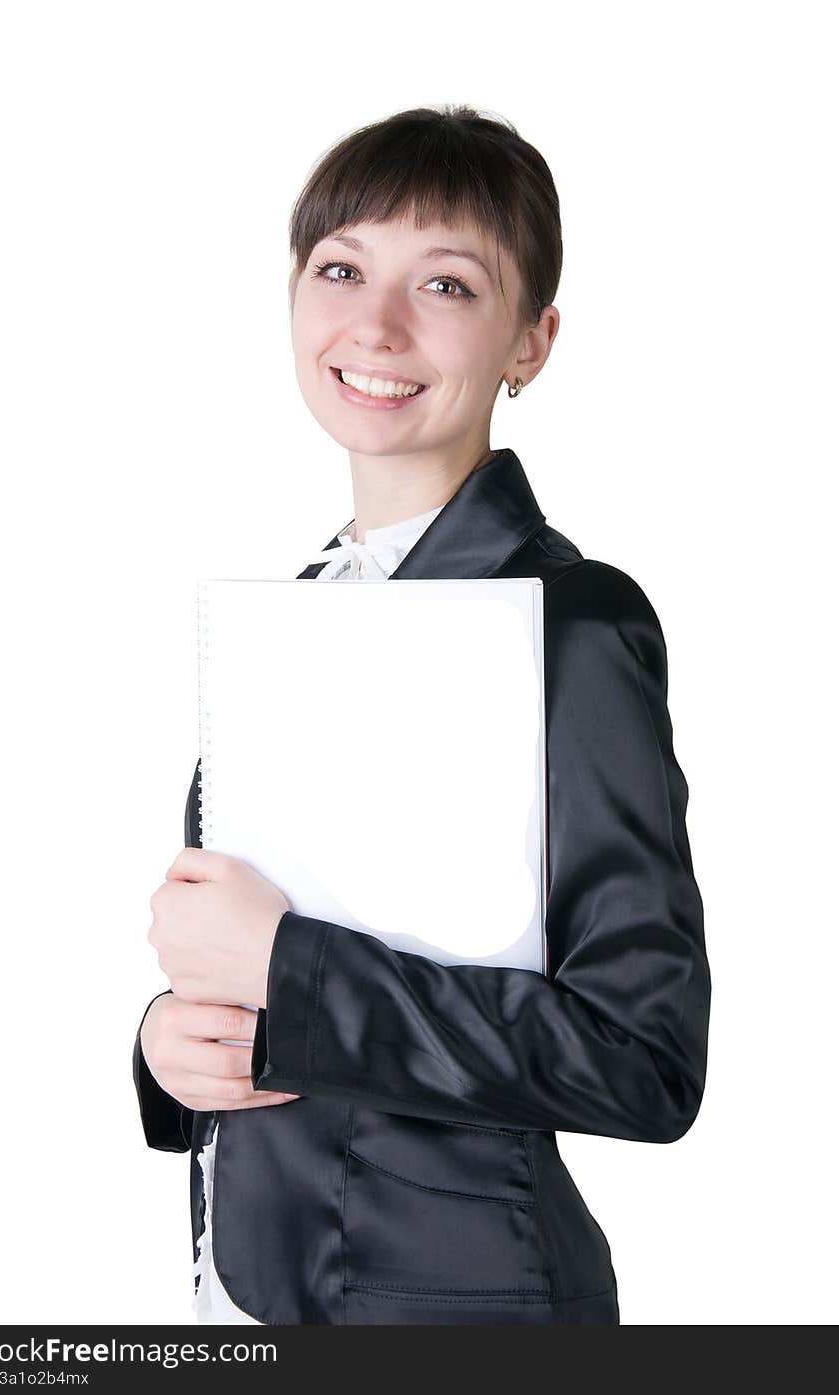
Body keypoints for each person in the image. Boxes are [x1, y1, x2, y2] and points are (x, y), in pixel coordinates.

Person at [132, 104, 711, 1326]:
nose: (375, 326)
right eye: (340, 269)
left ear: (530, 342)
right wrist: (168, 1050)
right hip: (248, 1298)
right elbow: (265, 976)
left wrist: (288, 969)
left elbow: (643, 1059)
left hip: (457, 1307)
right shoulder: (289, 618)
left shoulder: (573, 622)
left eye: (445, 283)